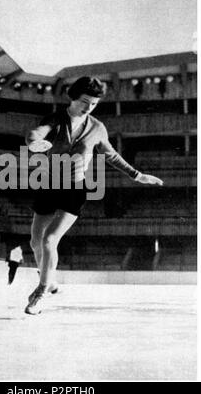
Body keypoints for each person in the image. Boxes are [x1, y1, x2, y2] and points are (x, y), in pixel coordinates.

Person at [24, 76, 163, 315]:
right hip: (48, 185)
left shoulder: (97, 128)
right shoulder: (56, 119)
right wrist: (35, 144)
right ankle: (51, 279)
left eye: (94, 104)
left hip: (74, 189)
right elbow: (34, 134)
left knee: (49, 240)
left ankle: (41, 291)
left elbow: (111, 155)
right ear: (73, 97)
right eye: (85, 102)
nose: (88, 107)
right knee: (35, 242)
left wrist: (137, 175)